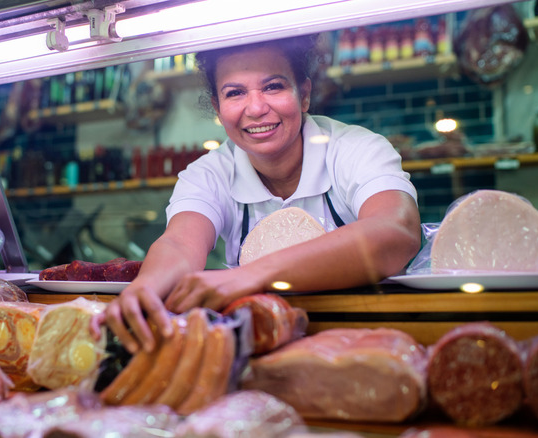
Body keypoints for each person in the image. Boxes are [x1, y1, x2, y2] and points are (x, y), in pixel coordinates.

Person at [91, 34, 421, 354]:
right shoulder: (209, 173)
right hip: (262, 345)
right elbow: (180, 243)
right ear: (218, 110)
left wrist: (251, 275)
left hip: (374, 337)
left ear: (303, 94)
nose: (256, 107)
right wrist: (146, 286)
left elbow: (396, 231)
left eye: (273, 86)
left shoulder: (355, 148)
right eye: (235, 93)